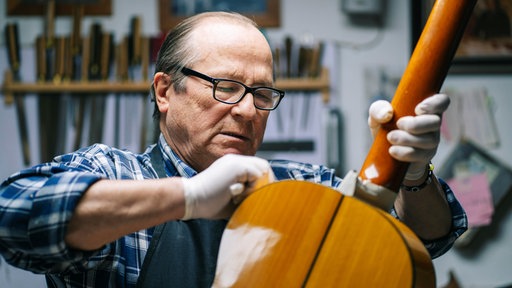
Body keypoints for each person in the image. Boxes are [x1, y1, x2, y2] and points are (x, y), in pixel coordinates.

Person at [0, 11, 466, 288]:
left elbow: (428, 239)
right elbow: (12, 216)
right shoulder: (116, 173)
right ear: (165, 91)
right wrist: (186, 198)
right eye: (225, 86)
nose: (247, 111)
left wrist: (411, 175)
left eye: (262, 95)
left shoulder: (303, 187)